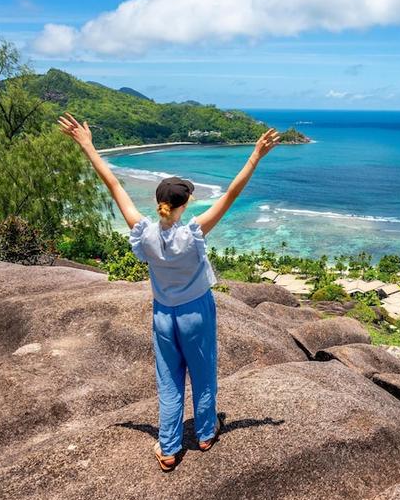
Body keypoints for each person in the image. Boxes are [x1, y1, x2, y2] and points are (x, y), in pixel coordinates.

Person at [58, 112, 280, 471]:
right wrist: (255, 155)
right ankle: (206, 432)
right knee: (204, 373)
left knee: (169, 381)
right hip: (196, 311)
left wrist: (88, 146)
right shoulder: (193, 232)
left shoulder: (143, 232)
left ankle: (168, 447)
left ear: (160, 202)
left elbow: (114, 186)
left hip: (164, 314)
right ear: (185, 203)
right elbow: (233, 193)